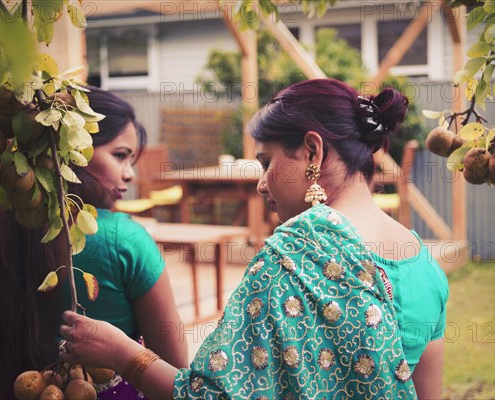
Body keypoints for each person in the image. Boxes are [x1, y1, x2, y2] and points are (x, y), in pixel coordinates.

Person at [58, 78, 449, 399]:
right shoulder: (426, 267)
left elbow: (208, 396)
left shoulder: (295, 254)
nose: (261, 184)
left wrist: (124, 354)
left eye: (266, 163)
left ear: (312, 151)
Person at [0, 87, 188, 399]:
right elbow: (178, 378)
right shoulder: (126, 241)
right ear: (73, 150)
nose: (130, 174)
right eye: (120, 156)